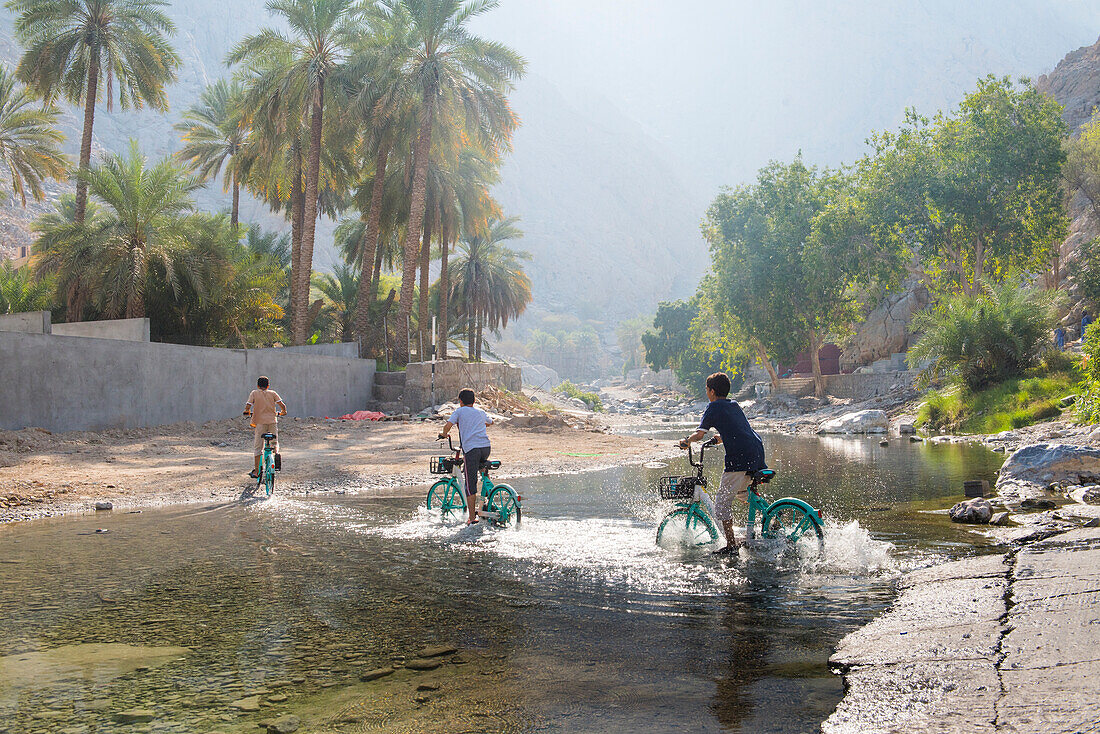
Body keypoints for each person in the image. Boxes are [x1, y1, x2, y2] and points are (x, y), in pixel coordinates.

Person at [679, 372, 766, 556]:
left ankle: (731, 544)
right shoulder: (733, 404)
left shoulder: (713, 407)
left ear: (711, 391)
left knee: (721, 503)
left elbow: (700, 434)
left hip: (739, 458)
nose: (707, 393)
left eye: (706, 390)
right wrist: (719, 439)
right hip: (756, 452)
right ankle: (769, 519)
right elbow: (738, 429)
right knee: (744, 494)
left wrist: (687, 441)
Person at [438, 389, 494, 525]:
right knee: (483, 471)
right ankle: (486, 501)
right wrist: (479, 424)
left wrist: (444, 434)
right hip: (486, 448)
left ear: (460, 402)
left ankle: (471, 517)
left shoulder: (459, 411)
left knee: (470, 483)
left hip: (471, 450)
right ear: (474, 401)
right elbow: (490, 422)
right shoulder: (480, 412)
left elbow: (448, 425)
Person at [243, 376, 287, 479]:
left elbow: (248, 405)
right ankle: (276, 453)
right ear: (268, 385)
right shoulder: (273, 393)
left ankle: (257, 471)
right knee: (274, 442)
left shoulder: (254, 393)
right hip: (272, 421)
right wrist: (283, 412)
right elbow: (283, 405)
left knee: (258, 447)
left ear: (258, 385)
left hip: (260, 423)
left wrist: (247, 411)